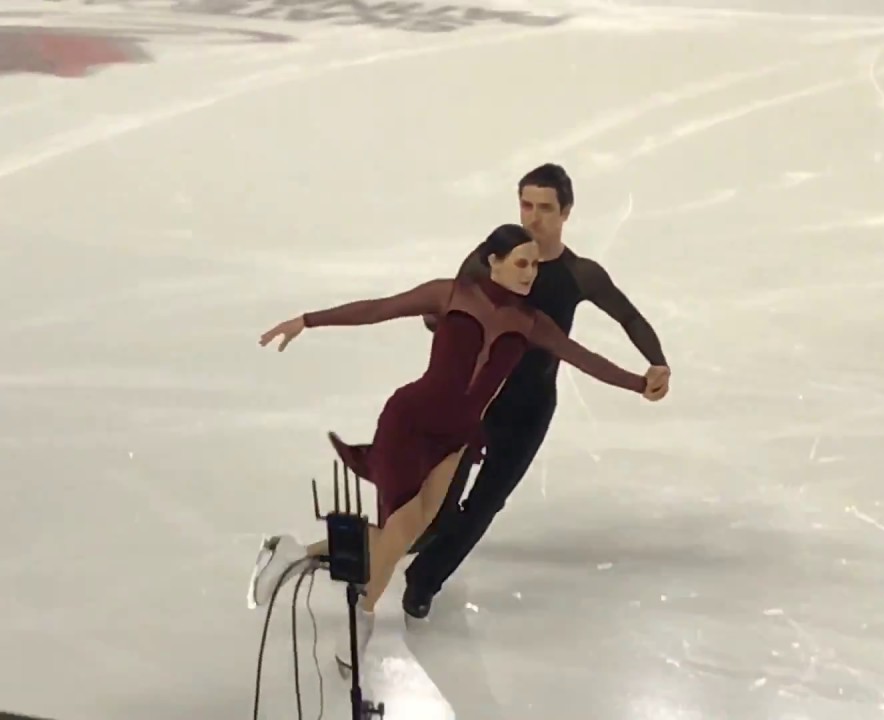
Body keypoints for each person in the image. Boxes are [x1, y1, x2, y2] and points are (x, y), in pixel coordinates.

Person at [247, 223, 658, 672]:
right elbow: (378, 309)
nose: (530, 274)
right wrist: (307, 321)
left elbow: (584, 358)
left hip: (457, 440)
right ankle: (360, 622)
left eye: (536, 265)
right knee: (402, 530)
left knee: (408, 535)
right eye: (522, 263)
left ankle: (293, 553)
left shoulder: (531, 322)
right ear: (494, 262)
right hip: (411, 421)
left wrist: (639, 384)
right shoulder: (450, 294)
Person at [400, 163, 670, 620]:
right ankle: (426, 536)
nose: (533, 218)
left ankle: (424, 581)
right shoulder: (493, 258)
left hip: (530, 406)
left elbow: (630, 318)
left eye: (545, 208)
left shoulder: (580, 275)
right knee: (441, 498)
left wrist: (656, 361)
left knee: (486, 503)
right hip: (476, 395)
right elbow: (450, 305)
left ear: (566, 212)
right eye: (526, 205)